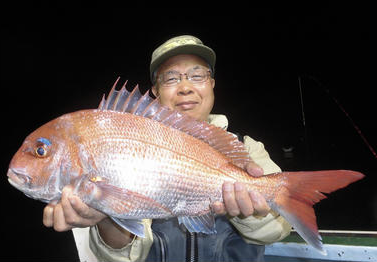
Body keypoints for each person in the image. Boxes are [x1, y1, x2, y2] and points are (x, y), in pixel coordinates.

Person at [43, 35, 291, 261]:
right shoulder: (133, 139)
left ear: (212, 83)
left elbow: (276, 232)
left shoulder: (246, 149)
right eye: (171, 77)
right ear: (156, 92)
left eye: (197, 75)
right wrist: (108, 218)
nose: (185, 87)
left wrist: (246, 212)